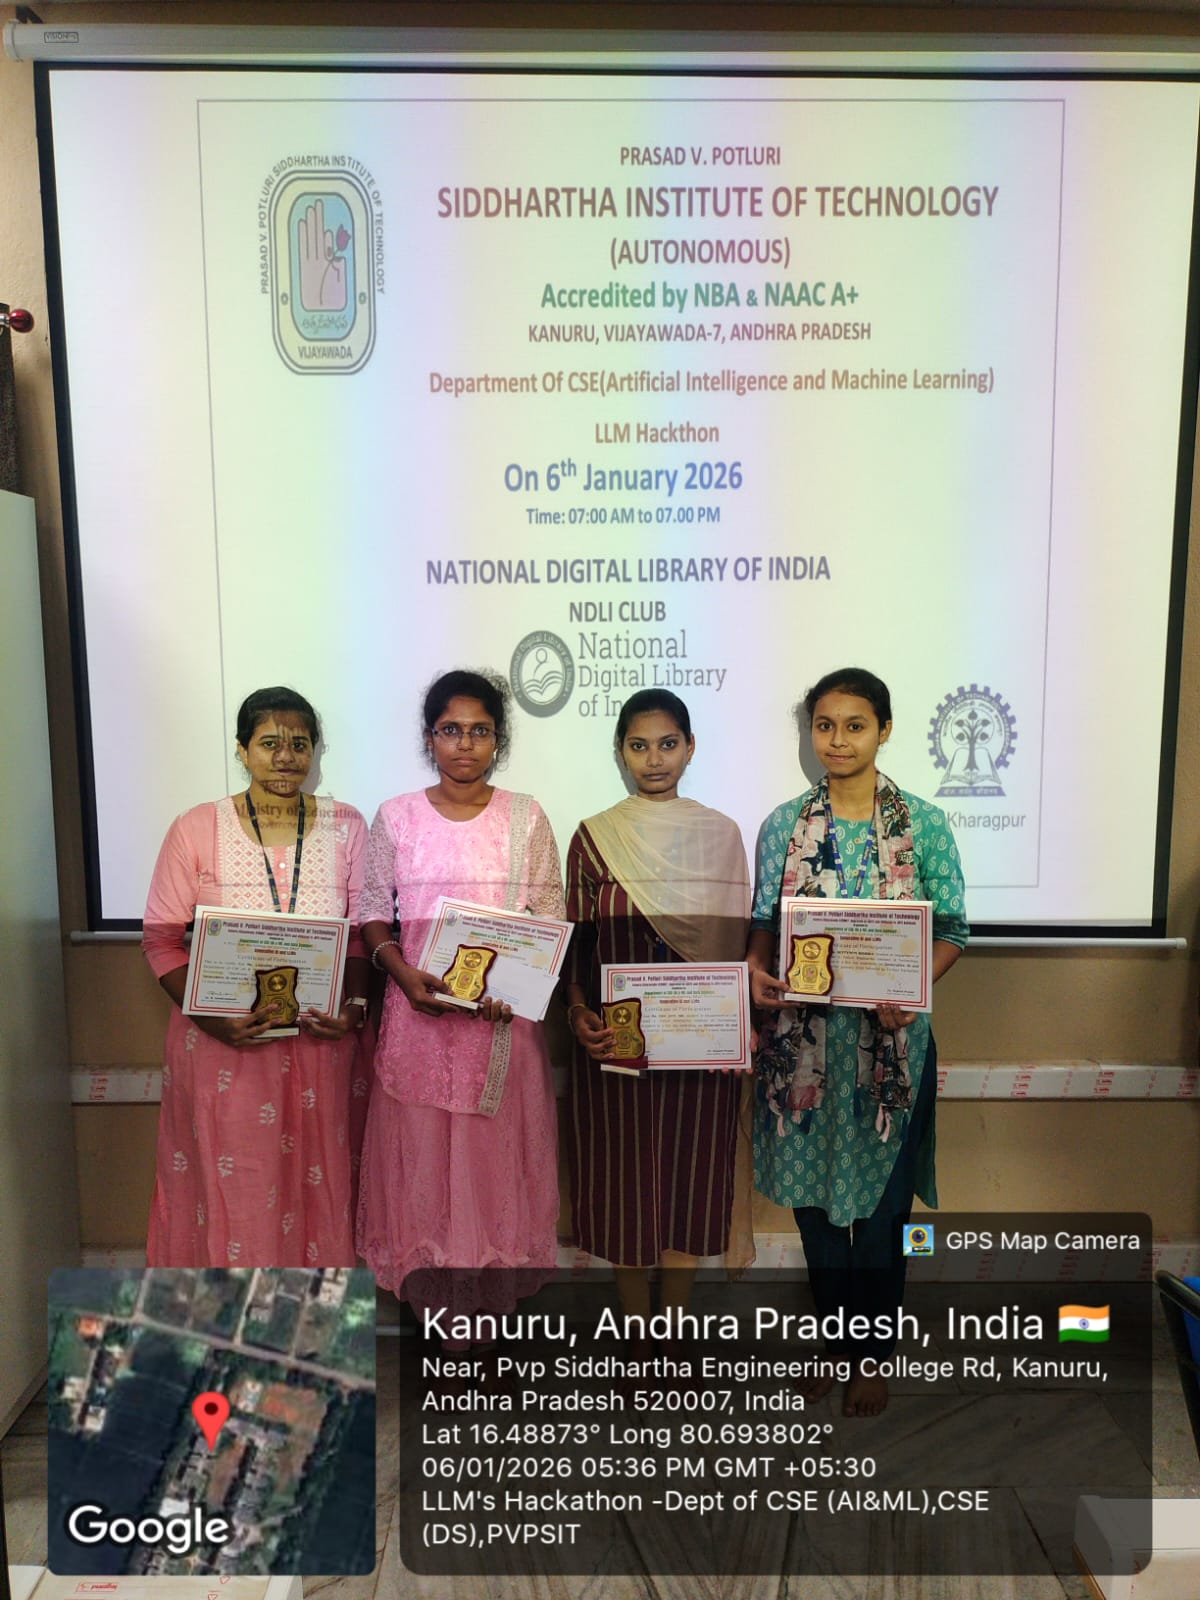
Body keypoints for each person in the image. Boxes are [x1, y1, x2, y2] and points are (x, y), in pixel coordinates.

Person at [747, 668, 968, 1416]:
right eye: (824, 725)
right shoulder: (783, 825)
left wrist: (913, 989)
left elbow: (953, 931)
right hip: (802, 1050)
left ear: (884, 730)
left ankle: (872, 1354)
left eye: (854, 725)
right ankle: (833, 1344)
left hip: (890, 1053)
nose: (837, 740)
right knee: (814, 1212)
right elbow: (763, 926)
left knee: (882, 1217)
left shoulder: (924, 824)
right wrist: (755, 972)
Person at [354, 670, 565, 1317]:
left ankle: (488, 1328)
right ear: (430, 738)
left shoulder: (526, 817)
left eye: (479, 731)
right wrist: (401, 973)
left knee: (491, 1180)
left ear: (498, 740)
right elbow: (372, 915)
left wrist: (516, 987)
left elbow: (550, 920)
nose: (465, 744)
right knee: (423, 1178)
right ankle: (439, 1325)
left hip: (500, 1029)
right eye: (451, 730)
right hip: (417, 1025)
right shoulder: (396, 817)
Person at [142, 687, 370, 1267]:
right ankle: (230, 1323)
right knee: (236, 1192)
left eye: (300, 744)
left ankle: (309, 1323)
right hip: (227, 1047)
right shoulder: (197, 827)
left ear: (315, 752)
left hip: (320, 1045)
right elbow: (161, 942)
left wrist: (356, 1009)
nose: (286, 756)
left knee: (317, 1192)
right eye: (270, 743)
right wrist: (211, 1020)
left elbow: (360, 935)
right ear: (242, 750)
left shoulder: (347, 825)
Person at [564, 689, 753, 1328]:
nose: (654, 760)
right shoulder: (594, 837)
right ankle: (638, 1340)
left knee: (688, 1185)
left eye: (668, 744)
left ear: (690, 748)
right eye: (639, 746)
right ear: (620, 752)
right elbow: (578, 942)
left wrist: (735, 1030)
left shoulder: (722, 837)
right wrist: (577, 1012)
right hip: (616, 1049)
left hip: (700, 1051)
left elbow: (736, 949)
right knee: (625, 1190)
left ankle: (671, 1334)